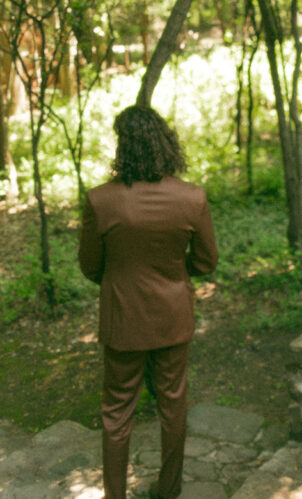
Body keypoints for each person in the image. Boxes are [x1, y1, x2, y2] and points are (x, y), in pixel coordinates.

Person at [78, 105, 218, 499]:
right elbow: (206, 262)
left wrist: (122, 274)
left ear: (123, 147)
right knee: (173, 407)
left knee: (116, 413)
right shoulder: (192, 198)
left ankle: (115, 495)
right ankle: (169, 490)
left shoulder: (100, 201)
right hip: (173, 317)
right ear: (166, 143)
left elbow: (90, 266)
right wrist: (174, 269)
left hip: (123, 319)